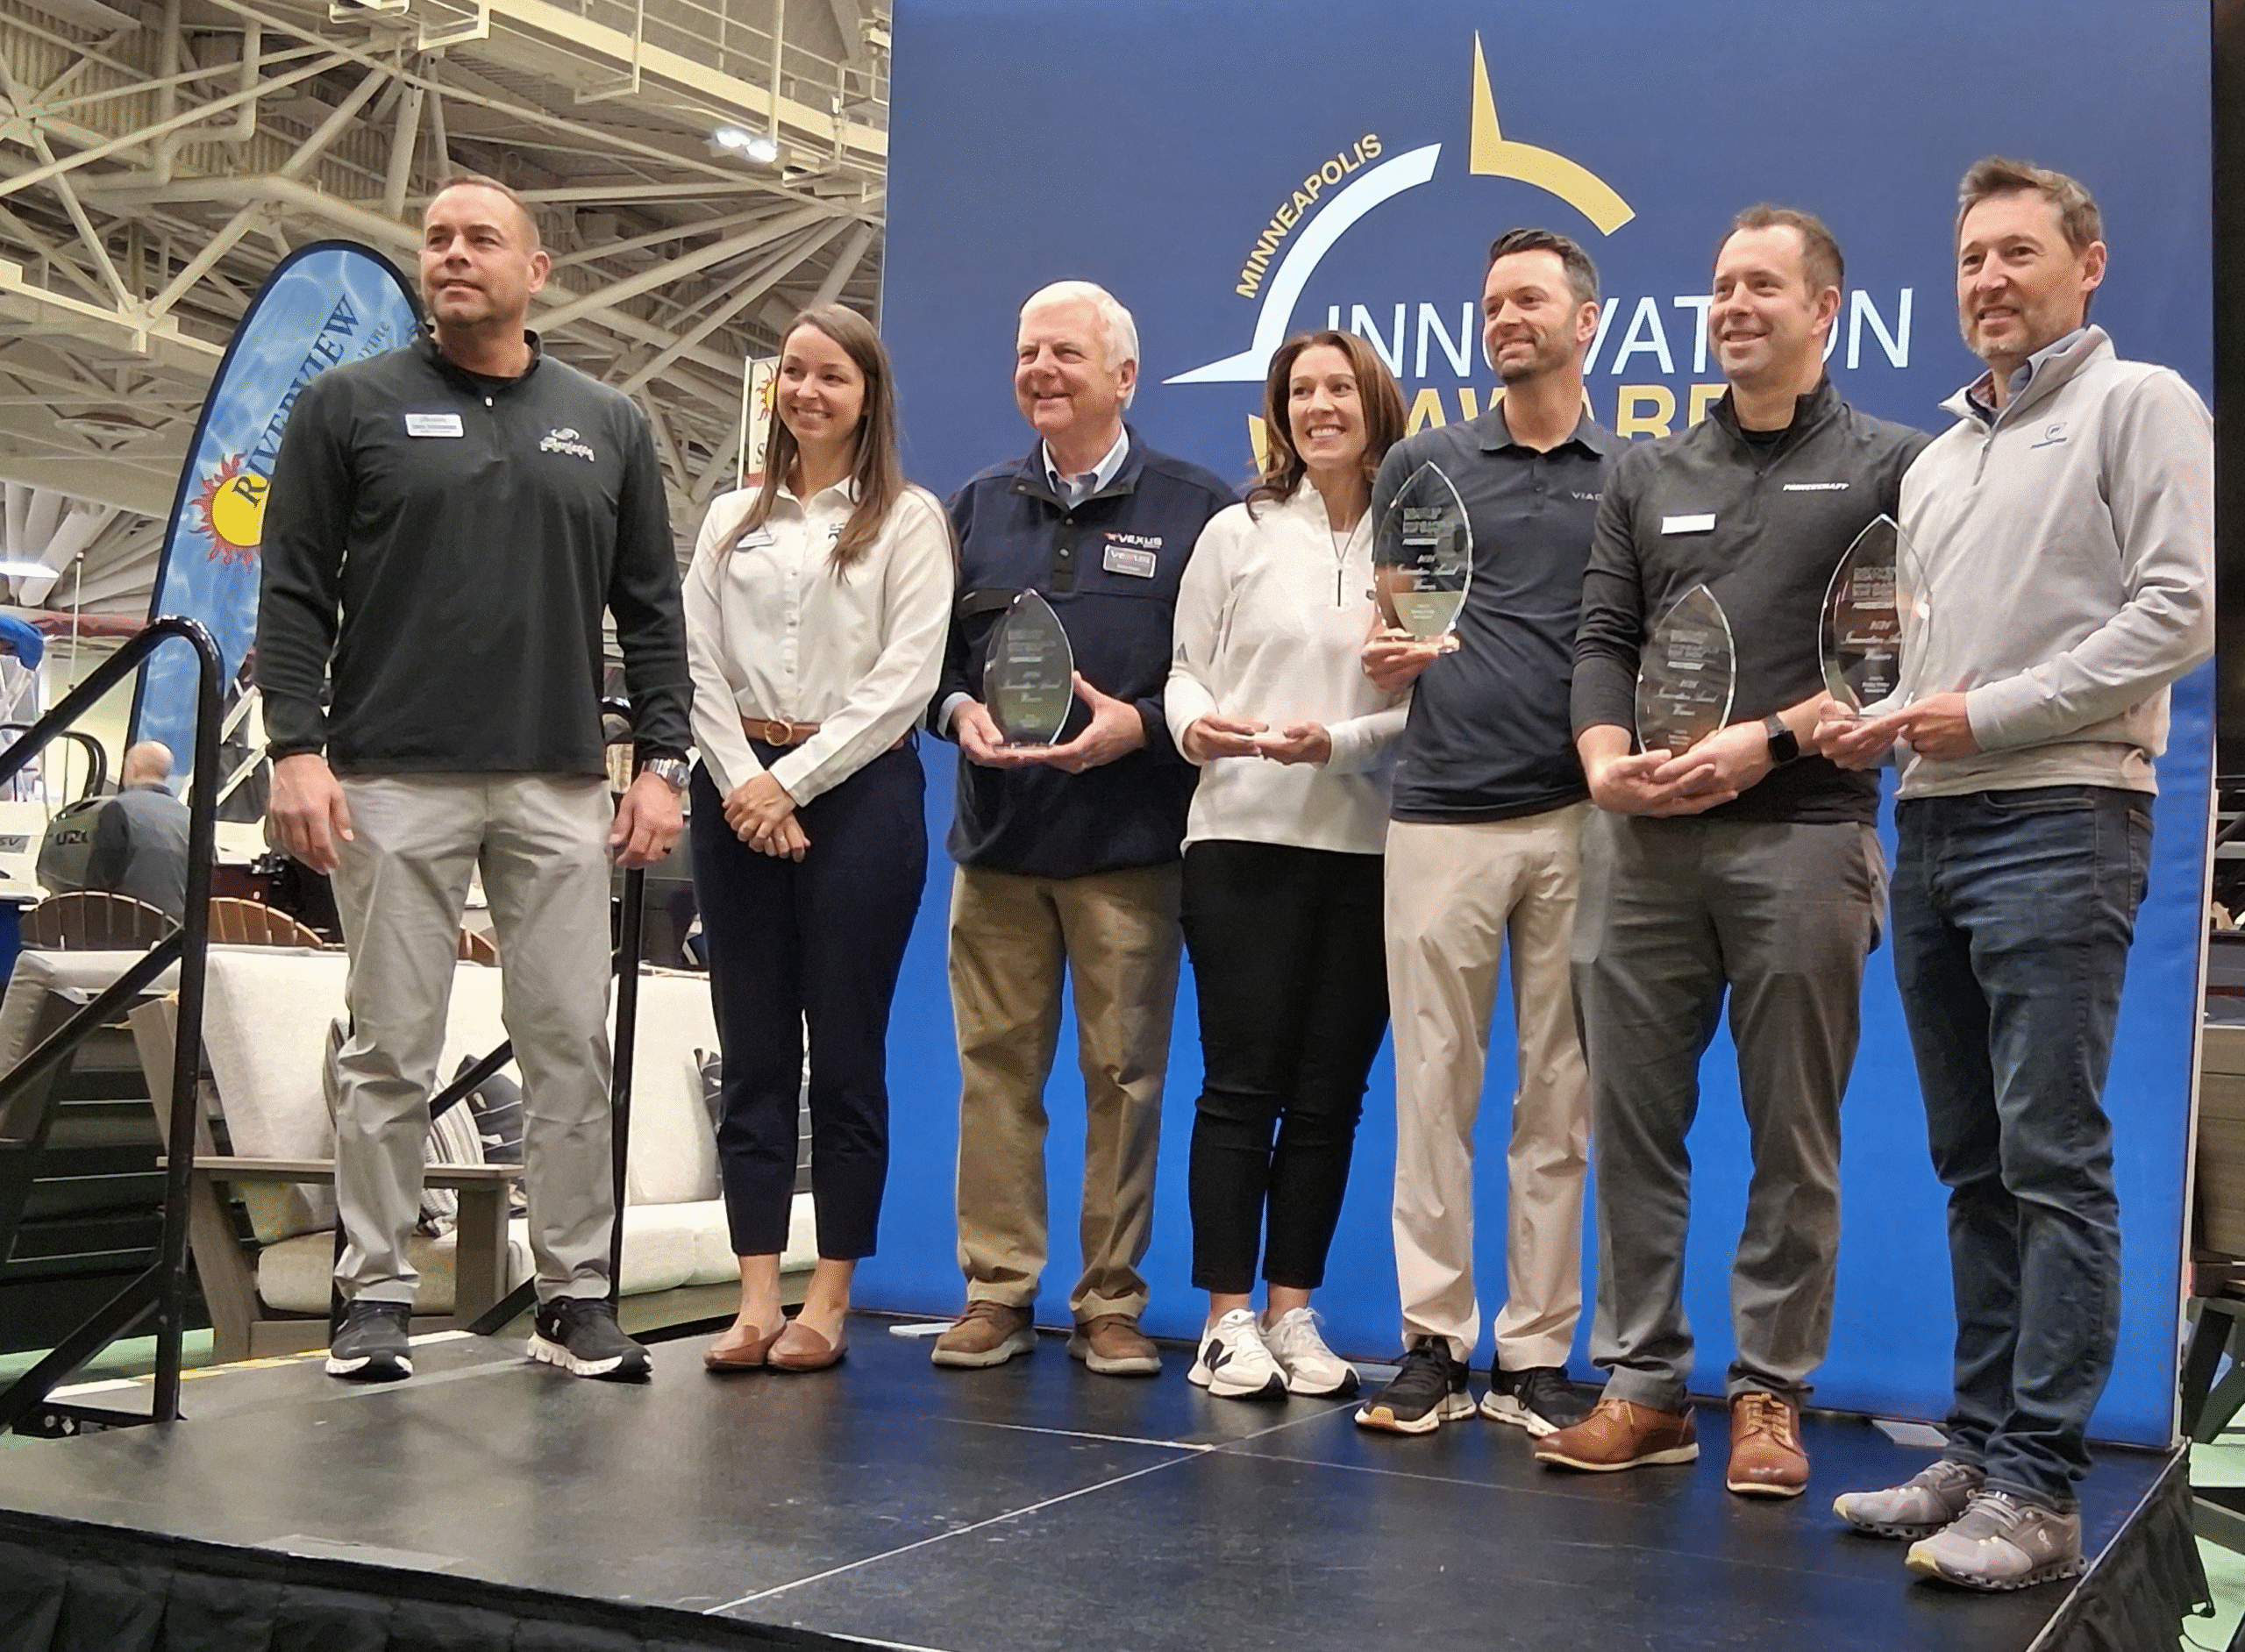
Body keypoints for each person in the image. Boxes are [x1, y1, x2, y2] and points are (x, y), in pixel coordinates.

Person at [1822, 160, 2213, 1589]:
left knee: (2052, 1160)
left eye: (2020, 252)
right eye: (1972, 256)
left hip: (2064, 811)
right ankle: (1982, 1450)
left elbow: (2179, 610)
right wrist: (1865, 712)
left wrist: (1981, 710)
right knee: (1974, 1162)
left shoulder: (2139, 405)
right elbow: (1926, 662)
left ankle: (2044, 1490)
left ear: (2089, 264)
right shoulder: (1936, 460)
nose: (1990, 277)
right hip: (1933, 818)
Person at [257, 172, 692, 1385]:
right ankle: (376, 1296)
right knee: (389, 1047)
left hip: (559, 783)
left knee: (568, 1046)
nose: (454, 254)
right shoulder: (349, 405)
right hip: (391, 777)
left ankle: (573, 1296)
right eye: (437, 238)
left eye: (481, 239)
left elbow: (653, 614)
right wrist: (297, 744)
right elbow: (291, 588)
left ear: (534, 271)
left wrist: (662, 768)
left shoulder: (607, 422)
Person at [1533, 207, 1926, 1493]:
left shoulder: (1891, 467)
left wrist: (1763, 742)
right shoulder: (1648, 472)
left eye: (1764, 285)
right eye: (1720, 287)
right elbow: (1602, 638)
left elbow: (1888, 660)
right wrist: (1602, 764)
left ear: (1827, 307)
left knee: (1790, 1135)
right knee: (1634, 1129)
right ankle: (1643, 1387)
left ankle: (1770, 1394)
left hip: (1805, 840)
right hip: (1641, 848)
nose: (1735, 305)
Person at [926, 281, 1233, 1376]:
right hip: (997, 846)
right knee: (995, 1072)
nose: (1041, 371)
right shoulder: (973, 508)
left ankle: (1110, 1300)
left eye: (1065, 352)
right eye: (1026, 354)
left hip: (1128, 851)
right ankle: (997, 1291)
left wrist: (1139, 730)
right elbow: (933, 670)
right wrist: (958, 710)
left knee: (1125, 1078)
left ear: (1124, 377)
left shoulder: (1199, 510)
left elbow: (1215, 679)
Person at [1349, 229, 1620, 1438]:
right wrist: (1383, 653)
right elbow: (1395, 620)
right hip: (1442, 810)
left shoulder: (1637, 476)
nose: (1507, 318)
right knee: (1433, 1093)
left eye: (1531, 301)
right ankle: (1432, 1343)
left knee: (1560, 1101)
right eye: (1492, 300)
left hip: (1582, 819)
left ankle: (1536, 1357)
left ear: (1587, 322)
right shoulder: (1424, 462)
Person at [685, 304, 953, 1374]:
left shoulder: (910, 521)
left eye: (830, 376)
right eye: (792, 373)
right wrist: (743, 783)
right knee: (753, 1054)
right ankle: (755, 1296)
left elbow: (904, 683)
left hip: (859, 800)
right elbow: (696, 665)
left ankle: (830, 1297)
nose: (806, 391)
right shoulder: (723, 523)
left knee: (844, 1055)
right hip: (734, 786)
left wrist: (785, 783)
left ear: (867, 397)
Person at [1165, 330, 1408, 1399]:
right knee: (1240, 1085)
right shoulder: (1238, 530)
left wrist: (1337, 743)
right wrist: (1195, 731)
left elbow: (1419, 696)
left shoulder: (1419, 538)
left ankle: (1293, 1309)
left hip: (1367, 846)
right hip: (1239, 837)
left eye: (1338, 388)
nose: (1319, 406)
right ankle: (1226, 1322)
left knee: (1328, 1097)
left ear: (1374, 404)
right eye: (1300, 390)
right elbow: (1183, 670)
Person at [36, 740, 190, 922]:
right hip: (176, 934)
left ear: (134, 768)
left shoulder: (117, 809)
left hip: (125, 930)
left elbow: (100, 881)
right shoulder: (191, 817)